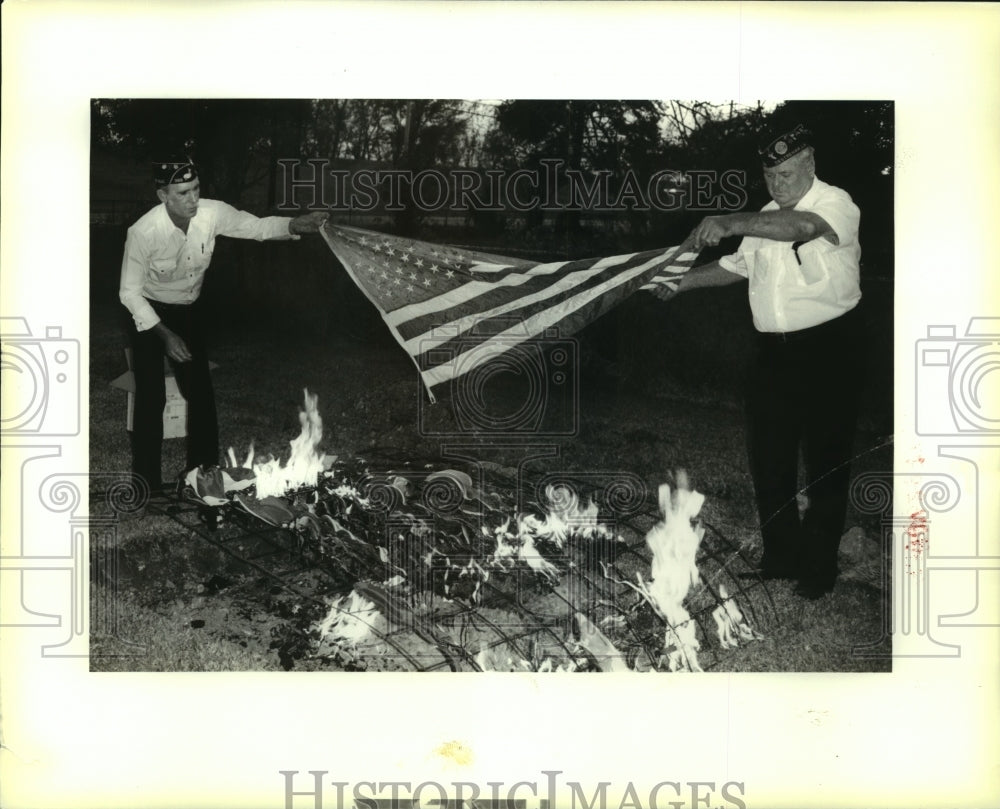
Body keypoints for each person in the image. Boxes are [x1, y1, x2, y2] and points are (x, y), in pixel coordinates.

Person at [658, 125, 864, 599]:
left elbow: (804, 229)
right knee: (769, 459)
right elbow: (736, 267)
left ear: (810, 162)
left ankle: (819, 568)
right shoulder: (764, 216)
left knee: (826, 463)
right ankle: (781, 558)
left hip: (829, 350)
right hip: (773, 354)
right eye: (770, 175)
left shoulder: (836, 204)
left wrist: (730, 221)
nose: (778, 184)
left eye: (787, 173)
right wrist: (679, 284)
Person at [119, 157, 329, 503]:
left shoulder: (212, 213)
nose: (193, 199)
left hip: (188, 311)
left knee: (201, 395)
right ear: (163, 195)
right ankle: (147, 487)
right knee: (151, 398)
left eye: (196, 189)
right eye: (183, 192)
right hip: (148, 314)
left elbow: (256, 227)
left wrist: (295, 224)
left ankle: (202, 479)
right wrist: (165, 336)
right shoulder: (143, 232)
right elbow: (128, 291)